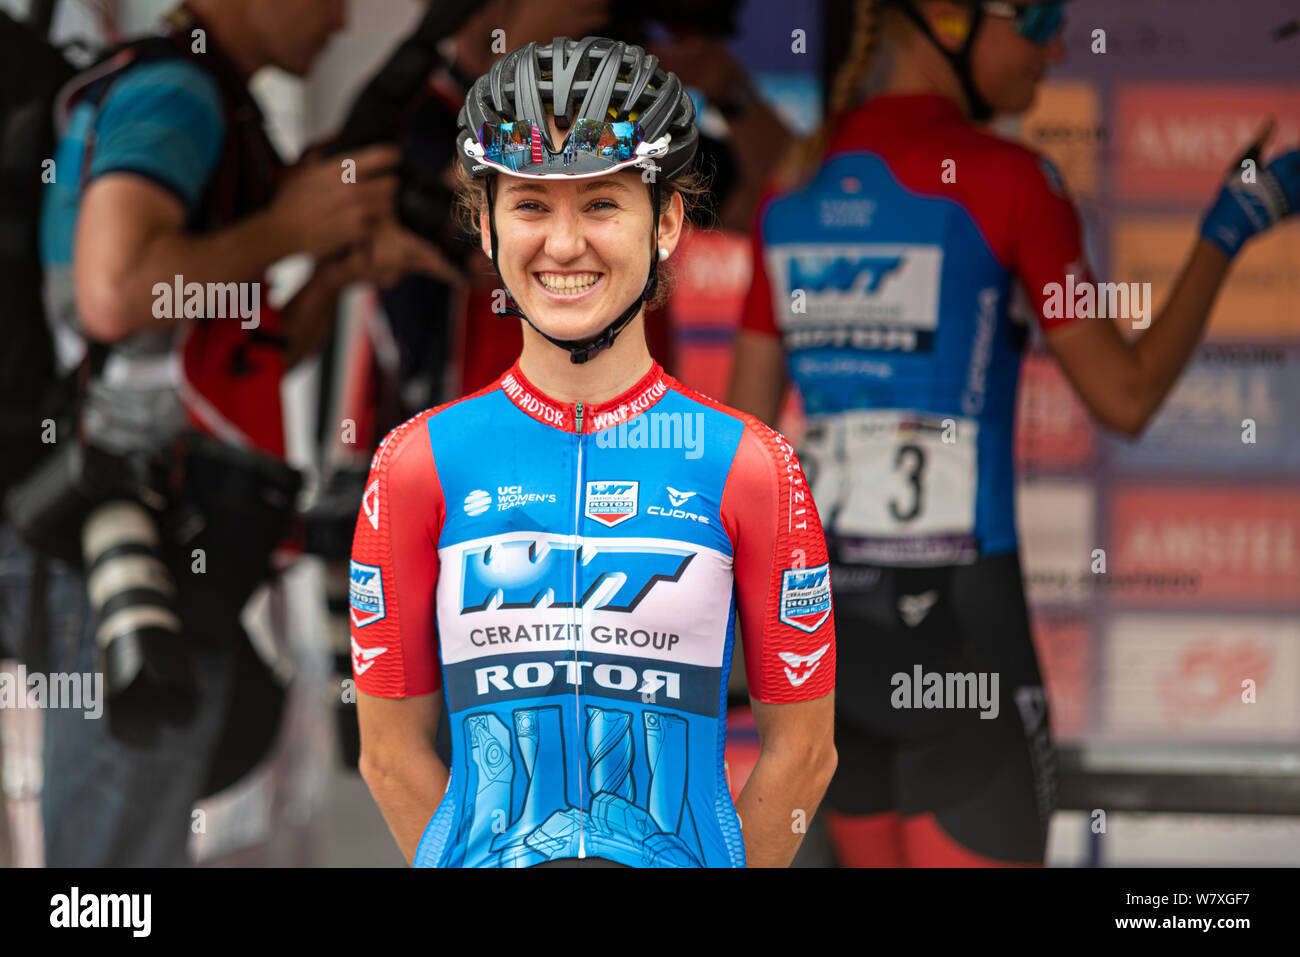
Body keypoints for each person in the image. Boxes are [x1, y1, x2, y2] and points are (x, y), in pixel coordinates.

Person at [728, 0, 1300, 867]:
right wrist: (1232, 227)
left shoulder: (793, 191)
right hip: (964, 642)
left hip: (829, 647)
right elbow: (1127, 393)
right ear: (945, 23)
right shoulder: (1010, 181)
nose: (1059, 45)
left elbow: (744, 451)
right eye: (1034, 18)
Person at [350, 36, 838, 868]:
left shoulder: (753, 467)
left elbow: (804, 754)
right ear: (486, 224)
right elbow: (390, 755)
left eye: (602, 204)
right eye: (531, 204)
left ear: (669, 222)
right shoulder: (415, 464)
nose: (565, 243)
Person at [15, 0, 433, 866]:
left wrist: (324, 279)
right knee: (111, 869)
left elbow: (222, 365)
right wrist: (286, 228)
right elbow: (116, 292)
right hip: (121, 531)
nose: (341, 16)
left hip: (168, 528)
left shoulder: (220, 100)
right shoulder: (177, 91)